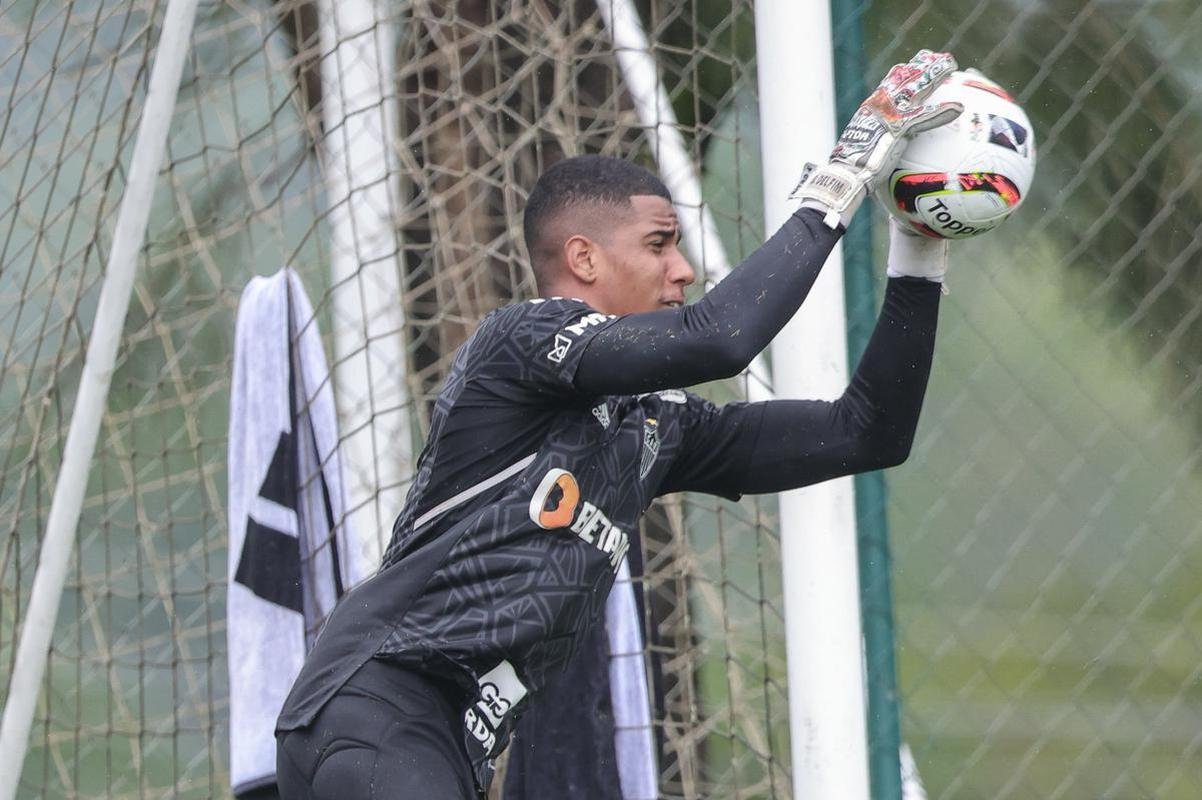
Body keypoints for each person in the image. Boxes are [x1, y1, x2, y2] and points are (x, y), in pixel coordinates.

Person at [274, 50, 962, 799]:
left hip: (435, 748)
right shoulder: (523, 342)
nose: (684, 270)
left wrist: (919, 248)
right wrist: (848, 168)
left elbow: (865, 433)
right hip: (377, 706)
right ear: (583, 259)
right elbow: (721, 337)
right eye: (660, 245)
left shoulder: (654, 431)